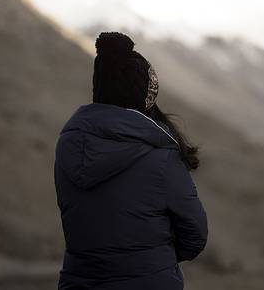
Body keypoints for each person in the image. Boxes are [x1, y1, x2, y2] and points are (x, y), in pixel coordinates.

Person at [54, 32, 208, 290]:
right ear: (145, 96)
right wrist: (153, 260)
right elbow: (195, 235)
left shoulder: (68, 146)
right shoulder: (161, 155)